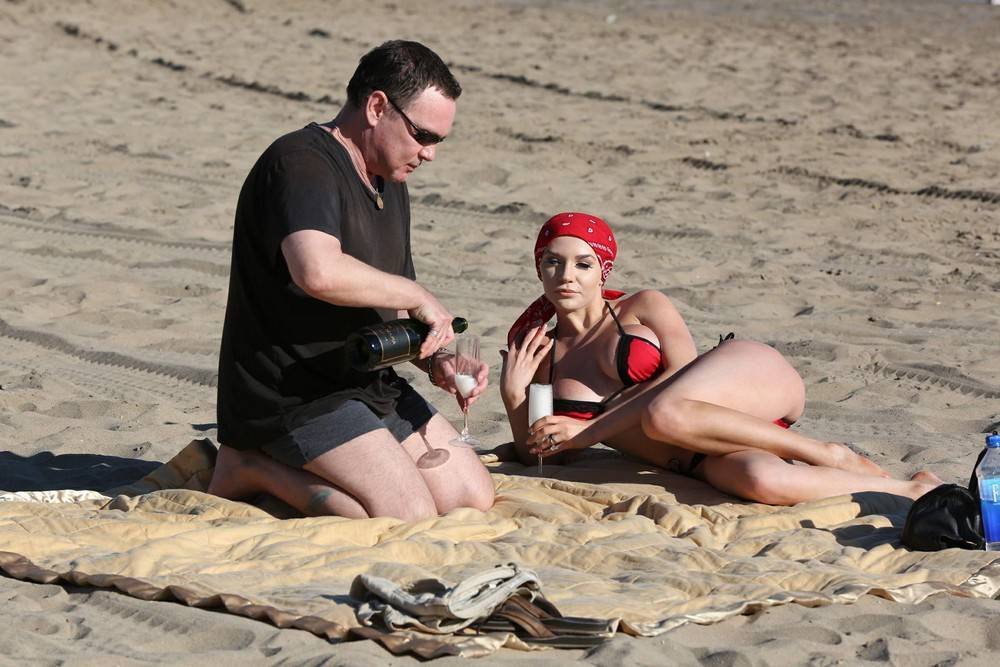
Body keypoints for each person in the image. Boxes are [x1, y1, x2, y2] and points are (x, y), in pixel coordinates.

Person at [209, 40, 495, 520]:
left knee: (471, 497)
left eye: (438, 141)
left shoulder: (389, 179)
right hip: (293, 396)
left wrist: (438, 360)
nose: (429, 154)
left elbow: (392, 307)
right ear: (377, 106)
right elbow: (317, 271)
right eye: (423, 135)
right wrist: (416, 293)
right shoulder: (300, 162)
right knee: (405, 516)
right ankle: (250, 464)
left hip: (367, 379)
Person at [500, 212, 943, 504]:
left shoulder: (643, 306)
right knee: (764, 482)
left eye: (583, 264)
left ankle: (830, 454)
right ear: (539, 268)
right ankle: (910, 489)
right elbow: (544, 458)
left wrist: (590, 430)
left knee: (664, 413)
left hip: (745, 381)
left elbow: (685, 377)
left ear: (603, 271)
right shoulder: (543, 354)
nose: (567, 276)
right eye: (553, 263)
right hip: (695, 457)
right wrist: (514, 395)